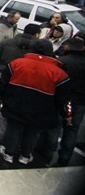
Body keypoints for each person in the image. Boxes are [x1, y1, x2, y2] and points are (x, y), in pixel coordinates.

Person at [0, 39, 70, 165]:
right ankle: (25, 156)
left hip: (16, 104)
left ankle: (8, 153)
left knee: (14, 128)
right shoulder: (59, 73)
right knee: (33, 132)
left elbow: (3, 85)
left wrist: (2, 97)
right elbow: (61, 98)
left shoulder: (16, 64)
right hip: (43, 109)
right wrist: (65, 113)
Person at [0, 24, 42, 125]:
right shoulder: (38, 48)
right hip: (26, 77)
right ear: (36, 34)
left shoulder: (9, 42)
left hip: (5, 72)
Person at [52, 38, 85, 166]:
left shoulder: (62, 62)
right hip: (80, 102)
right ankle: (65, 156)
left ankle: (48, 150)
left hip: (61, 99)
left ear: (67, 46)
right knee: (72, 130)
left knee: (55, 125)